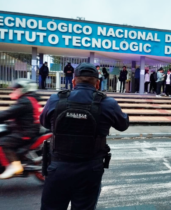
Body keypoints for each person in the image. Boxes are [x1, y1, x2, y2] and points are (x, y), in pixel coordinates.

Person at [40, 63, 129, 210]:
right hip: (89, 170)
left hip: (58, 168)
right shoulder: (108, 104)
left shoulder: (56, 99)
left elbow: (44, 123)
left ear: (74, 82)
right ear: (98, 84)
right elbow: (123, 125)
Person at [0, 79, 40, 179]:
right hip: (24, 128)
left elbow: (8, 113)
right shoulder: (28, 99)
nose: (14, 91)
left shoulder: (25, 101)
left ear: (24, 89)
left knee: (2, 143)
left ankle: (13, 166)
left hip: (25, 132)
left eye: (16, 89)